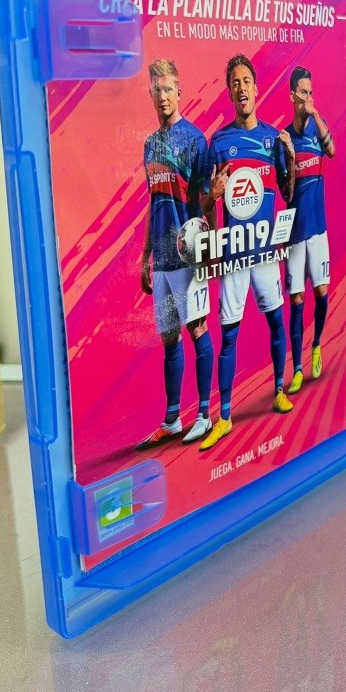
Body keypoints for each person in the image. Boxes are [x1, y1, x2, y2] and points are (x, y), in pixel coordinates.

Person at [198, 54, 296, 451]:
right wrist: (212, 197)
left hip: (266, 252)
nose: (241, 88)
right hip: (235, 255)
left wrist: (290, 158)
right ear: (230, 92)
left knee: (276, 322)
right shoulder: (219, 143)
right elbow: (206, 204)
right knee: (229, 334)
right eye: (234, 82)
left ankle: (278, 391)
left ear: (256, 89)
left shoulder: (273, 139)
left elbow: (287, 194)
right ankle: (224, 417)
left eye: (246, 81)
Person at [136, 59, 214, 449]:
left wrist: (208, 251)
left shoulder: (195, 140)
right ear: (150, 94)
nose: (163, 96)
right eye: (157, 89)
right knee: (169, 338)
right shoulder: (150, 144)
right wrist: (145, 256)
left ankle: (205, 414)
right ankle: (172, 419)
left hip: (188, 257)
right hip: (162, 261)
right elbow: (155, 203)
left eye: (169, 89)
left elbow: (206, 202)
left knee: (197, 328)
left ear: (179, 92)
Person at [283, 66, 335, 394]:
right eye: (303, 92)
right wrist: (289, 157)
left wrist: (316, 114)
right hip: (294, 234)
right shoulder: (285, 137)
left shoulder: (318, 127)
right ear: (292, 96)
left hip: (318, 229)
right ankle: (298, 368)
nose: (307, 97)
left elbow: (332, 151)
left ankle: (316, 345)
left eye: (310, 92)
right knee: (296, 299)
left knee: (321, 292)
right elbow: (285, 192)